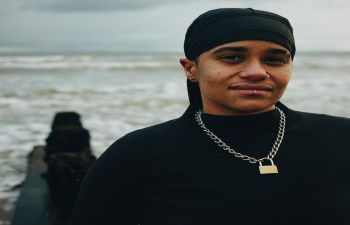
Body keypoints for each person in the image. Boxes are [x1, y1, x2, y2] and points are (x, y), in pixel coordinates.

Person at [71, 8, 350, 225]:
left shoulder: (340, 137)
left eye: (275, 59)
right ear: (190, 68)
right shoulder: (136, 154)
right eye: (231, 57)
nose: (256, 71)